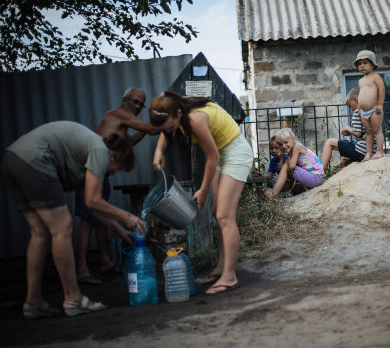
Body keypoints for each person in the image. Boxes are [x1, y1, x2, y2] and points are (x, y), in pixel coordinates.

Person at [2, 121, 146, 318]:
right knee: (62, 227)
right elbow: (93, 200)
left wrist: (121, 230)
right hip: (34, 158)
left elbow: (92, 206)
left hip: (12, 159)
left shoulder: (88, 153)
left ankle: (33, 302)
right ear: (115, 155)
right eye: (117, 167)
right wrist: (126, 215)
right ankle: (73, 299)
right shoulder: (100, 151)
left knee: (40, 233)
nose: (112, 172)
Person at [148, 91, 253, 295]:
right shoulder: (173, 111)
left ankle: (230, 277)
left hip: (235, 153)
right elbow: (165, 129)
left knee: (224, 216)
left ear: (178, 114)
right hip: (223, 153)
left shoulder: (195, 118)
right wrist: (158, 151)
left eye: (170, 126)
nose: (169, 131)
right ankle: (222, 267)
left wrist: (203, 191)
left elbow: (211, 157)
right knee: (217, 212)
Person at [75, 87, 169, 286]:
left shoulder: (123, 123)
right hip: (91, 167)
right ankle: (82, 269)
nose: (136, 106)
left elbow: (131, 141)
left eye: (140, 105)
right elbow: (152, 129)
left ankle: (105, 261)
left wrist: (147, 129)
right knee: (87, 219)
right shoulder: (118, 114)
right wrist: (165, 113)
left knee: (100, 219)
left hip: (100, 169)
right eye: (134, 101)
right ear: (124, 100)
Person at [265, 128, 324, 199]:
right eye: (280, 144)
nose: (283, 146)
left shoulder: (297, 147)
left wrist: (285, 158)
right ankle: (289, 192)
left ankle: (274, 192)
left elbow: (291, 166)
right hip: (314, 178)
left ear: (294, 139)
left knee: (286, 165)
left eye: (286, 142)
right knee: (286, 165)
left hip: (316, 178)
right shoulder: (292, 151)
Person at [321, 88, 367, 171]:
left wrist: (348, 129)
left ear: (356, 100)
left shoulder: (357, 112)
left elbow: (358, 134)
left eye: (350, 105)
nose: (351, 109)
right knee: (344, 143)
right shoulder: (368, 111)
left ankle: (319, 171)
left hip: (361, 150)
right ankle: (341, 163)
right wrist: (350, 132)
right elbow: (362, 132)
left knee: (330, 142)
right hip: (368, 150)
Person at [354, 50, 386, 160]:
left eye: (365, 63)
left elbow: (381, 89)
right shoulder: (361, 81)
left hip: (374, 110)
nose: (362, 66)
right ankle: (368, 153)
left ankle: (379, 151)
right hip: (363, 111)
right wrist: (359, 108)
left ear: (372, 64)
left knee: (377, 130)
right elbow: (360, 95)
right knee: (368, 132)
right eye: (359, 64)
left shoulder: (375, 77)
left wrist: (379, 104)